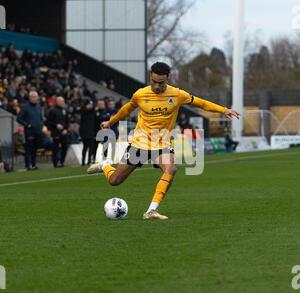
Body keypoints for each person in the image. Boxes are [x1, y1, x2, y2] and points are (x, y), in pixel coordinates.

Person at [87, 62, 240, 220]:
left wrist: (224, 110)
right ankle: (105, 165)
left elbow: (201, 103)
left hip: (163, 144)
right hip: (140, 143)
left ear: (168, 78)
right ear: (150, 77)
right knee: (115, 181)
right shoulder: (140, 94)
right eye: (154, 82)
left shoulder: (178, 94)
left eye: (161, 83)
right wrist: (111, 122)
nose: (157, 86)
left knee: (171, 169)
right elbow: (126, 109)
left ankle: (151, 210)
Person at [17, 91, 44, 170]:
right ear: (29, 98)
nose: (34, 98)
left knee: (35, 149)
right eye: (33, 97)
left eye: (36, 97)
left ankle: (34, 164)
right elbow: (19, 118)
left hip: (38, 131)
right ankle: (28, 165)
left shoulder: (38, 106)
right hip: (29, 132)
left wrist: (41, 124)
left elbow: (40, 117)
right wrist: (27, 125)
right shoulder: (25, 107)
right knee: (29, 149)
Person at [46, 96, 69, 167]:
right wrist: (56, 125)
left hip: (64, 132)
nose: (62, 102)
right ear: (57, 101)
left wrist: (66, 129)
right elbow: (48, 122)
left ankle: (61, 162)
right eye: (61, 101)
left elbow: (67, 121)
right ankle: (55, 164)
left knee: (65, 147)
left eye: (63, 101)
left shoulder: (64, 110)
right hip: (55, 132)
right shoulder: (52, 110)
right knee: (55, 148)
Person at [79, 99, 96, 166]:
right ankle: (83, 161)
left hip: (91, 132)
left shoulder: (92, 112)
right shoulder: (83, 111)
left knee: (91, 147)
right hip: (84, 132)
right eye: (89, 104)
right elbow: (83, 112)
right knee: (85, 147)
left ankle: (89, 160)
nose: (90, 106)